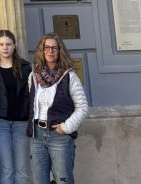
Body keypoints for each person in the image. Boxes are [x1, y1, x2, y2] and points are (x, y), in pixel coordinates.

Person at [28, 34, 88, 184]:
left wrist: (66, 127)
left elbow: (82, 107)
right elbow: (32, 105)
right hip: (37, 136)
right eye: (46, 48)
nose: (50, 51)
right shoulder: (33, 76)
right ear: (41, 51)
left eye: (54, 48)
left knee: (63, 180)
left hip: (59, 136)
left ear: (60, 51)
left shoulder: (69, 76)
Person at [0, 30, 31, 184]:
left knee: (22, 169)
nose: (5, 47)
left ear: (14, 45)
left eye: (8, 44)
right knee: (6, 168)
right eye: (1, 44)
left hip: (21, 123)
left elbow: (32, 95)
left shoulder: (26, 67)